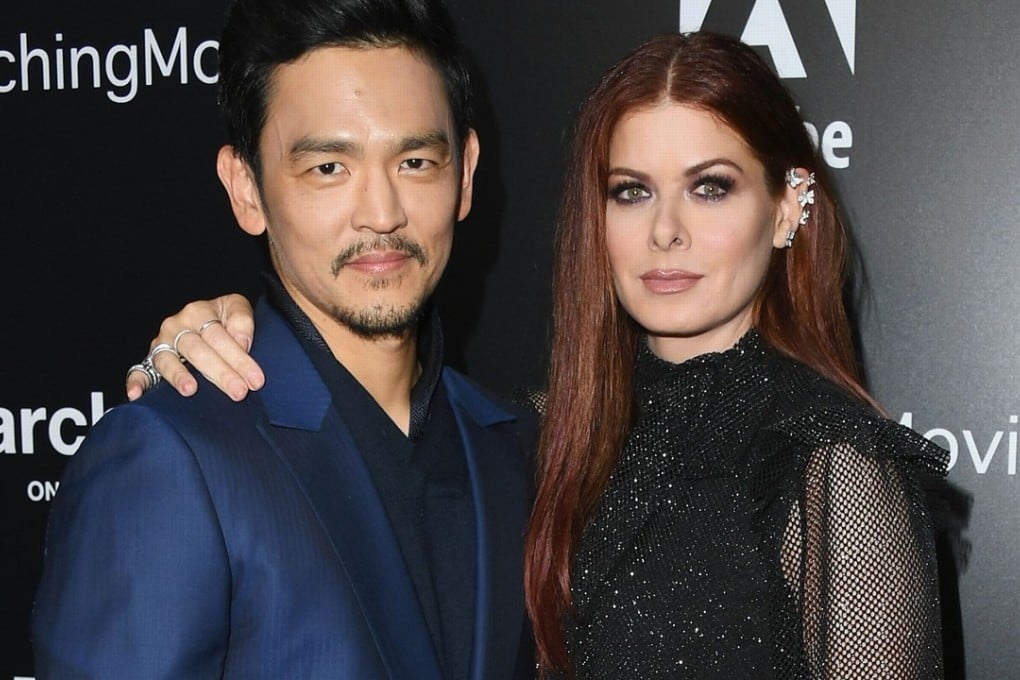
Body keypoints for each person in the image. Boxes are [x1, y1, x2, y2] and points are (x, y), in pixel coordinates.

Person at [132, 33, 948, 679]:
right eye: (631, 191)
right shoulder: (537, 434)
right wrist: (228, 327)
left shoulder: (832, 464)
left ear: (786, 206)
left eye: (710, 186)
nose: (666, 230)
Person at [32, 0, 535, 678]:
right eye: (328, 168)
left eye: (416, 161)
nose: (381, 213)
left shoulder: (516, 451)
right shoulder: (176, 458)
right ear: (246, 189)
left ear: (466, 173)